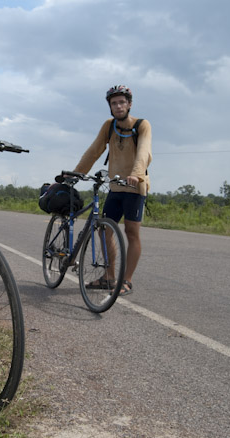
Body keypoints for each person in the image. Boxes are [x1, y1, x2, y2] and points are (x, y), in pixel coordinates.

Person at [72, 84, 152, 296]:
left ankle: (127, 280)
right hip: (116, 187)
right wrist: (75, 174)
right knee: (104, 229)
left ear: (129, 104)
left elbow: (143, 152)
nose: (118, 106)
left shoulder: (142, 125)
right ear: (110, 106)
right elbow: (94, 151)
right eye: (114, 103)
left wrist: (135, 174)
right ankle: (109, 276)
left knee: (131, 233)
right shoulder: (109, 126)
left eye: (122, 102)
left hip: (136, 187)